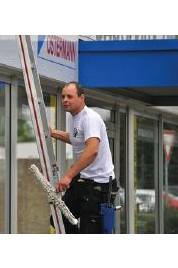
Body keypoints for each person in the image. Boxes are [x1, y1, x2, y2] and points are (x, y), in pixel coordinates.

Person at [50, 82, 118, 234]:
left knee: (90, 229)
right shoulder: (73, 117)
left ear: (82, 98)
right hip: (83, 180)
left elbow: (92, 150)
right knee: (59, 218)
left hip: (99, 185)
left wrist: (68, 176)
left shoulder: (90, 118)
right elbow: (76, 139)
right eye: (63, 97)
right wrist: (53, 133)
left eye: (69, 96)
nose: (65, 100)